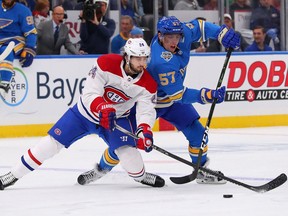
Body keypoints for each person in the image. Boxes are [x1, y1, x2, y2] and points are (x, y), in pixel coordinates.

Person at [0, 38, 165, 190]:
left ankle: (140, 176)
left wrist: (144, 131)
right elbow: (89, 93)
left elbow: (146, 111)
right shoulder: (105, 63)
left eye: (145, 59)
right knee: (49, 145)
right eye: (138, 58)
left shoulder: (149, 83)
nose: (142, 63)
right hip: (83, 115)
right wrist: (103, 107)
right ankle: (13, 175)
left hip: (116, 120)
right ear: (127, 57)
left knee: (131, 160)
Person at [146, 16, 240, 184]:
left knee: (198, 134)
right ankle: (102, 167)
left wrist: (221, 33)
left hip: (170, 101)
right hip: (147, 103)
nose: (175, 41)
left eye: (177, 37)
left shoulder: (182, 32)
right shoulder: (161, 62)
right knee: (126, 140)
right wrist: (207, 95)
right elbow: (179, 95)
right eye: (170, 38)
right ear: (160, 36)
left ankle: (202, 170)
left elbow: (201, 26)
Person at [0, 0, 37, 99]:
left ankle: (5, 83)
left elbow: (31, 32)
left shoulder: (24, 10)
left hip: (15, 41)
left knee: (5, 50)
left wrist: (29, 48)